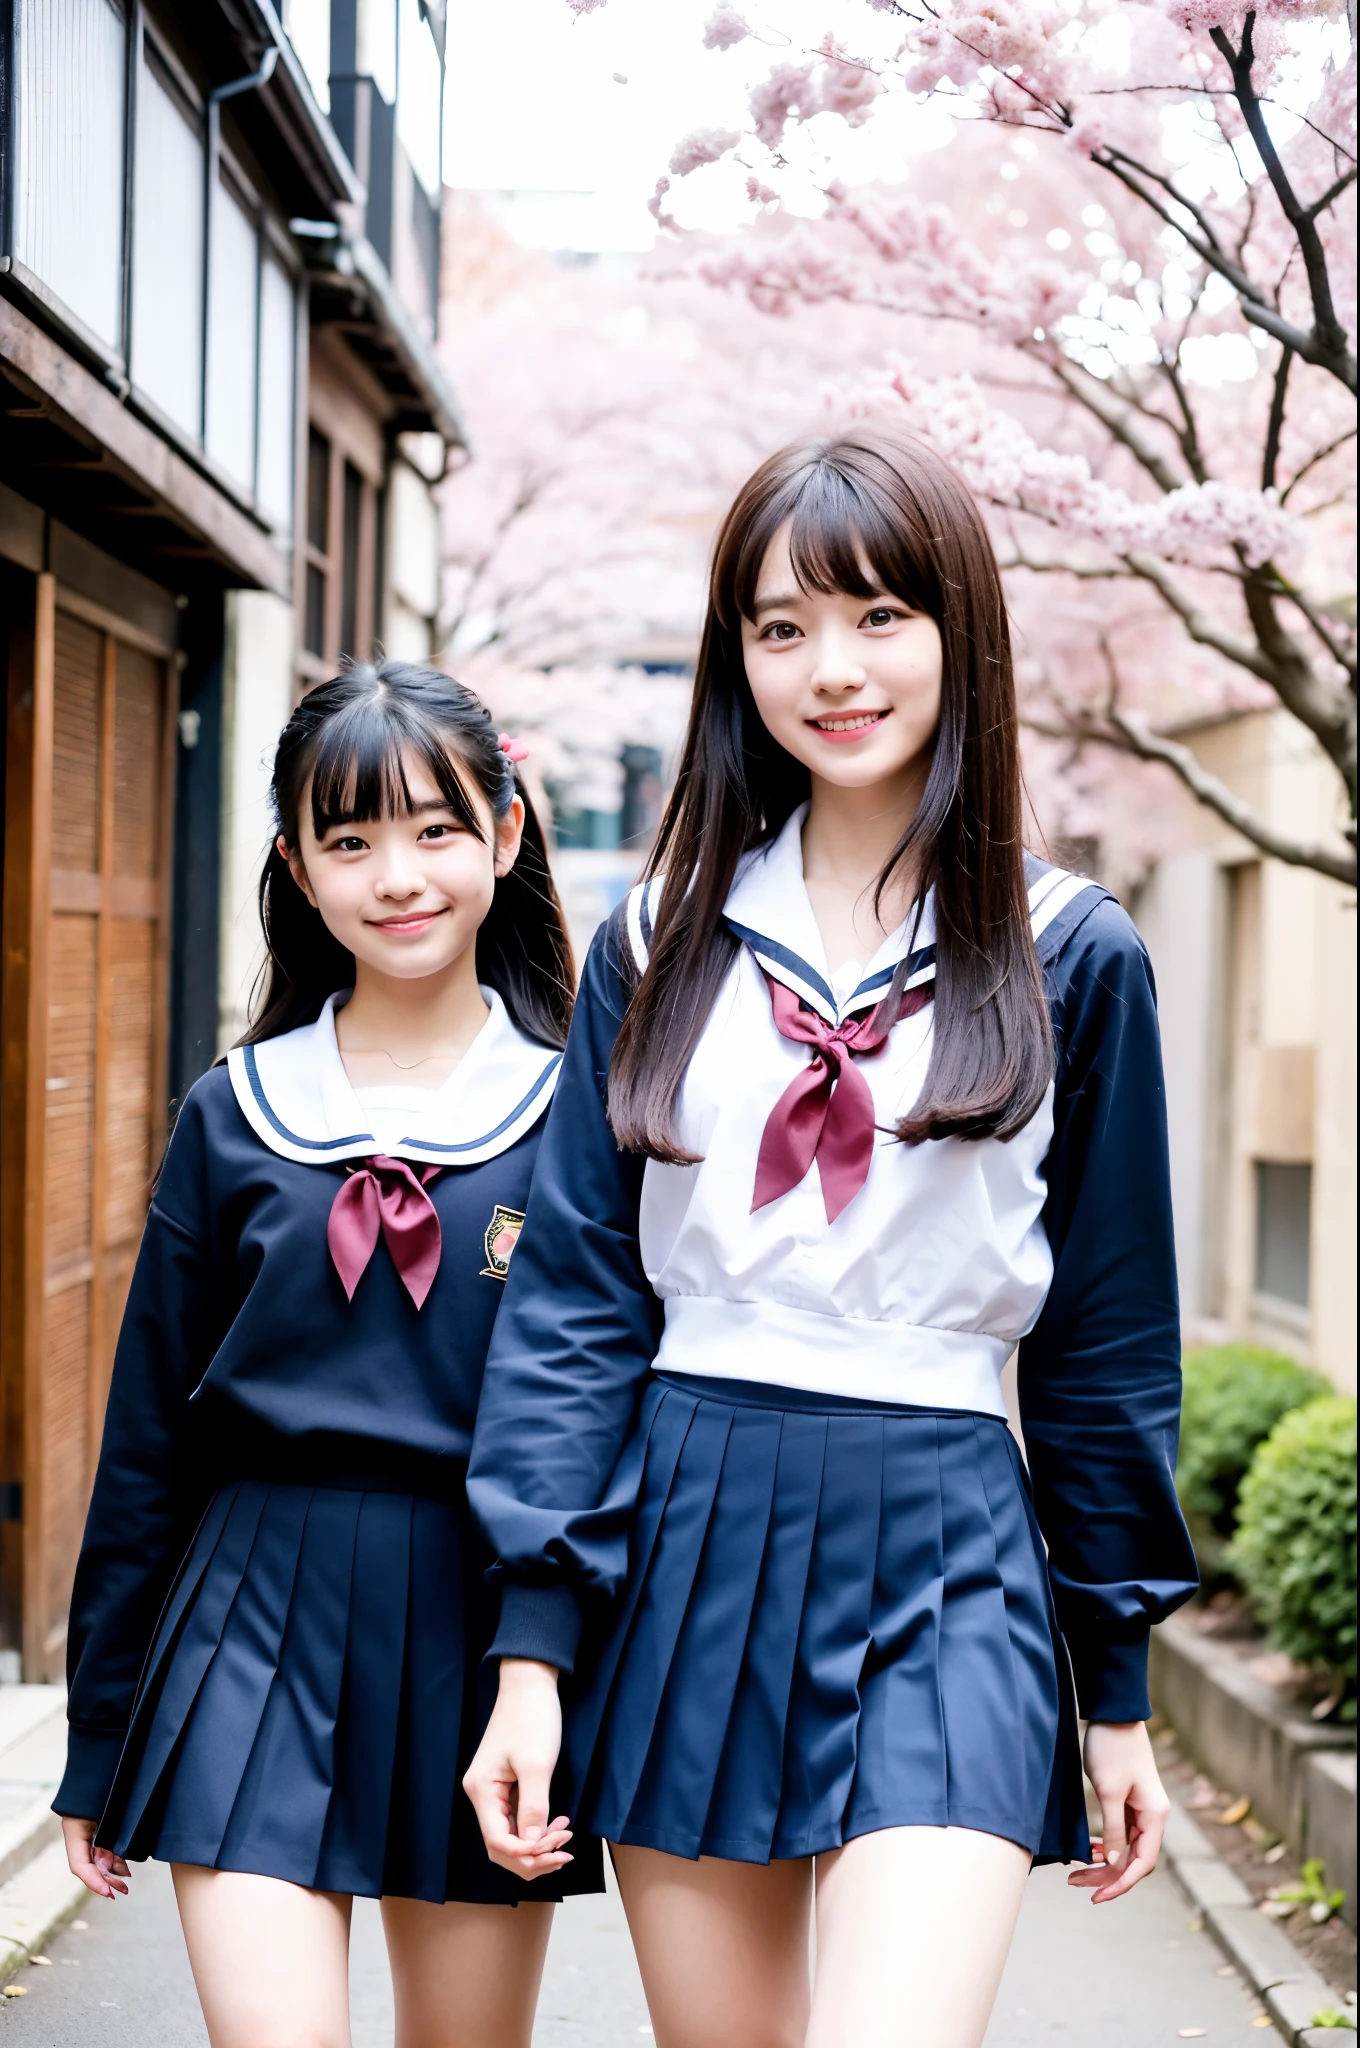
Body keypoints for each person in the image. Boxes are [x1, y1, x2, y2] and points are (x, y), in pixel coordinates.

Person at [461, 429, 1199, 2048]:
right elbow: (579, 1300)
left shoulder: (1073, 955)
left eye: (877, 617)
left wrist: (1118, 1680)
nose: (831, 669)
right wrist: (532, 1653)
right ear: (735, 659)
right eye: (781, 627)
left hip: (950, 1545)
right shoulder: (656, 937)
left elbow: (1110, 1343)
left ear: (961, 637)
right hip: (690, 1523)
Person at [55, 663, 602, 2048]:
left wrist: (548, 1659)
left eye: (434, 830)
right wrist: (100, 1737)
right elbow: (147, 1440)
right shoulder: (234, 1114)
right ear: (296, 869)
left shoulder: (581, 1117)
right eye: (349, 841)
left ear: (509, 834)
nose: (396, 875)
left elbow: (603, 1416)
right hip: (251, 1617)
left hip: (481, 1629)